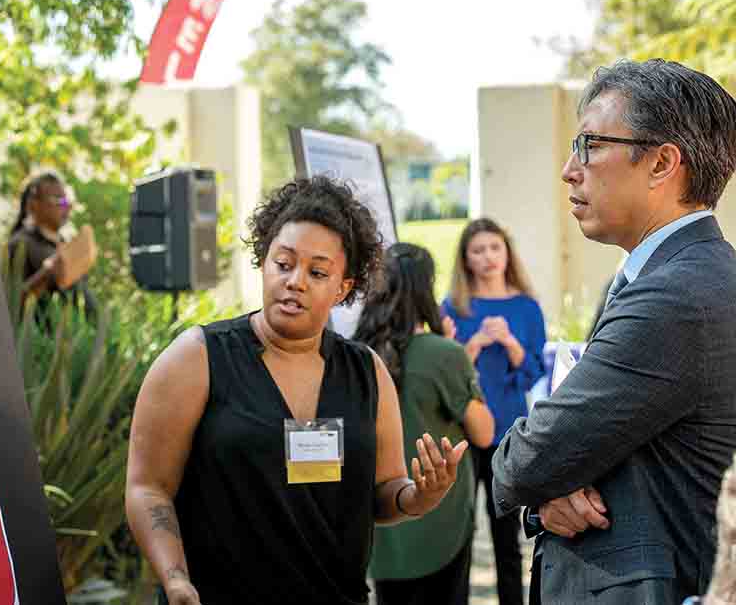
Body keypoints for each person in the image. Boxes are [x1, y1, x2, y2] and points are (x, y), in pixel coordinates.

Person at [125, 176, 470, 605]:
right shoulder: (198, 358)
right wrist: (176, 578)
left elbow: (384, 492)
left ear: (343, 288)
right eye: (283, 263)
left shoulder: (366, 371)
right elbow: (148, 487)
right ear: (263, 262)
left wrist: (418, 497)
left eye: (318, 272)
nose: (295, 281)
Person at [491, 58, 736, 604]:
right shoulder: (674, 276)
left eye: (590, 145)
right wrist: (546, 490)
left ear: (661, 163)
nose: (569, 169)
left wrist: (536, 478)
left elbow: (524, 462)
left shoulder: (674, 296)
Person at [355, 242, 495, 605]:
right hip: (440, 517)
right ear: (426, 287)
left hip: (379, 525)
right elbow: (484, 432)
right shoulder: (444, 354)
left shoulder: (353, 354)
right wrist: (459, 358)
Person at [441, 217, 546, 605]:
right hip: (463, 435)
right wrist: (477, 344)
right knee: (459, 532)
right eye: (478, 250)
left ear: (506, 253)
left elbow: (534, 370)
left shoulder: (526, 307)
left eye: (494, 248)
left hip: (508, 436)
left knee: (506, 536)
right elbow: (445, 370)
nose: (488, 257)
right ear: (467, 259)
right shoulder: (453, 307)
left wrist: (510, 342)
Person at [6, 171, 96, 319]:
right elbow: (9, 306)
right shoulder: (20, 244)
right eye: (59, 201)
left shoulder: (63, 243)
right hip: (38, 340)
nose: (66, 207)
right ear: (33, 205)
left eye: (67, 201)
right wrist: (45, 275)